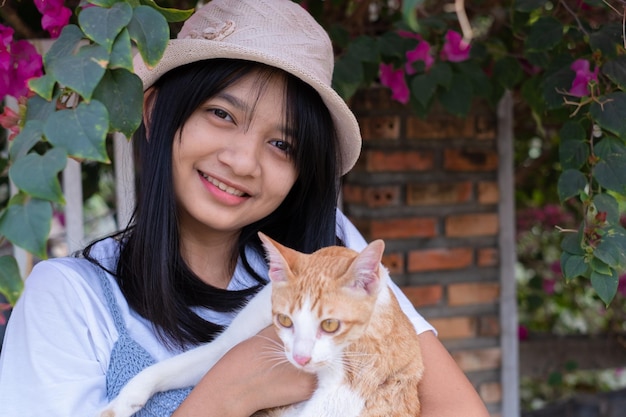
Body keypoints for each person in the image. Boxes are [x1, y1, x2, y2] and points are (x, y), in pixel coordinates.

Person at [0, 0, 490, 416]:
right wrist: (228, 391)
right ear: (155, 114)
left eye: (282, 143)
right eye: (221, 114)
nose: (242, 161)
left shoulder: (325, 257)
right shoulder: (68, 300)